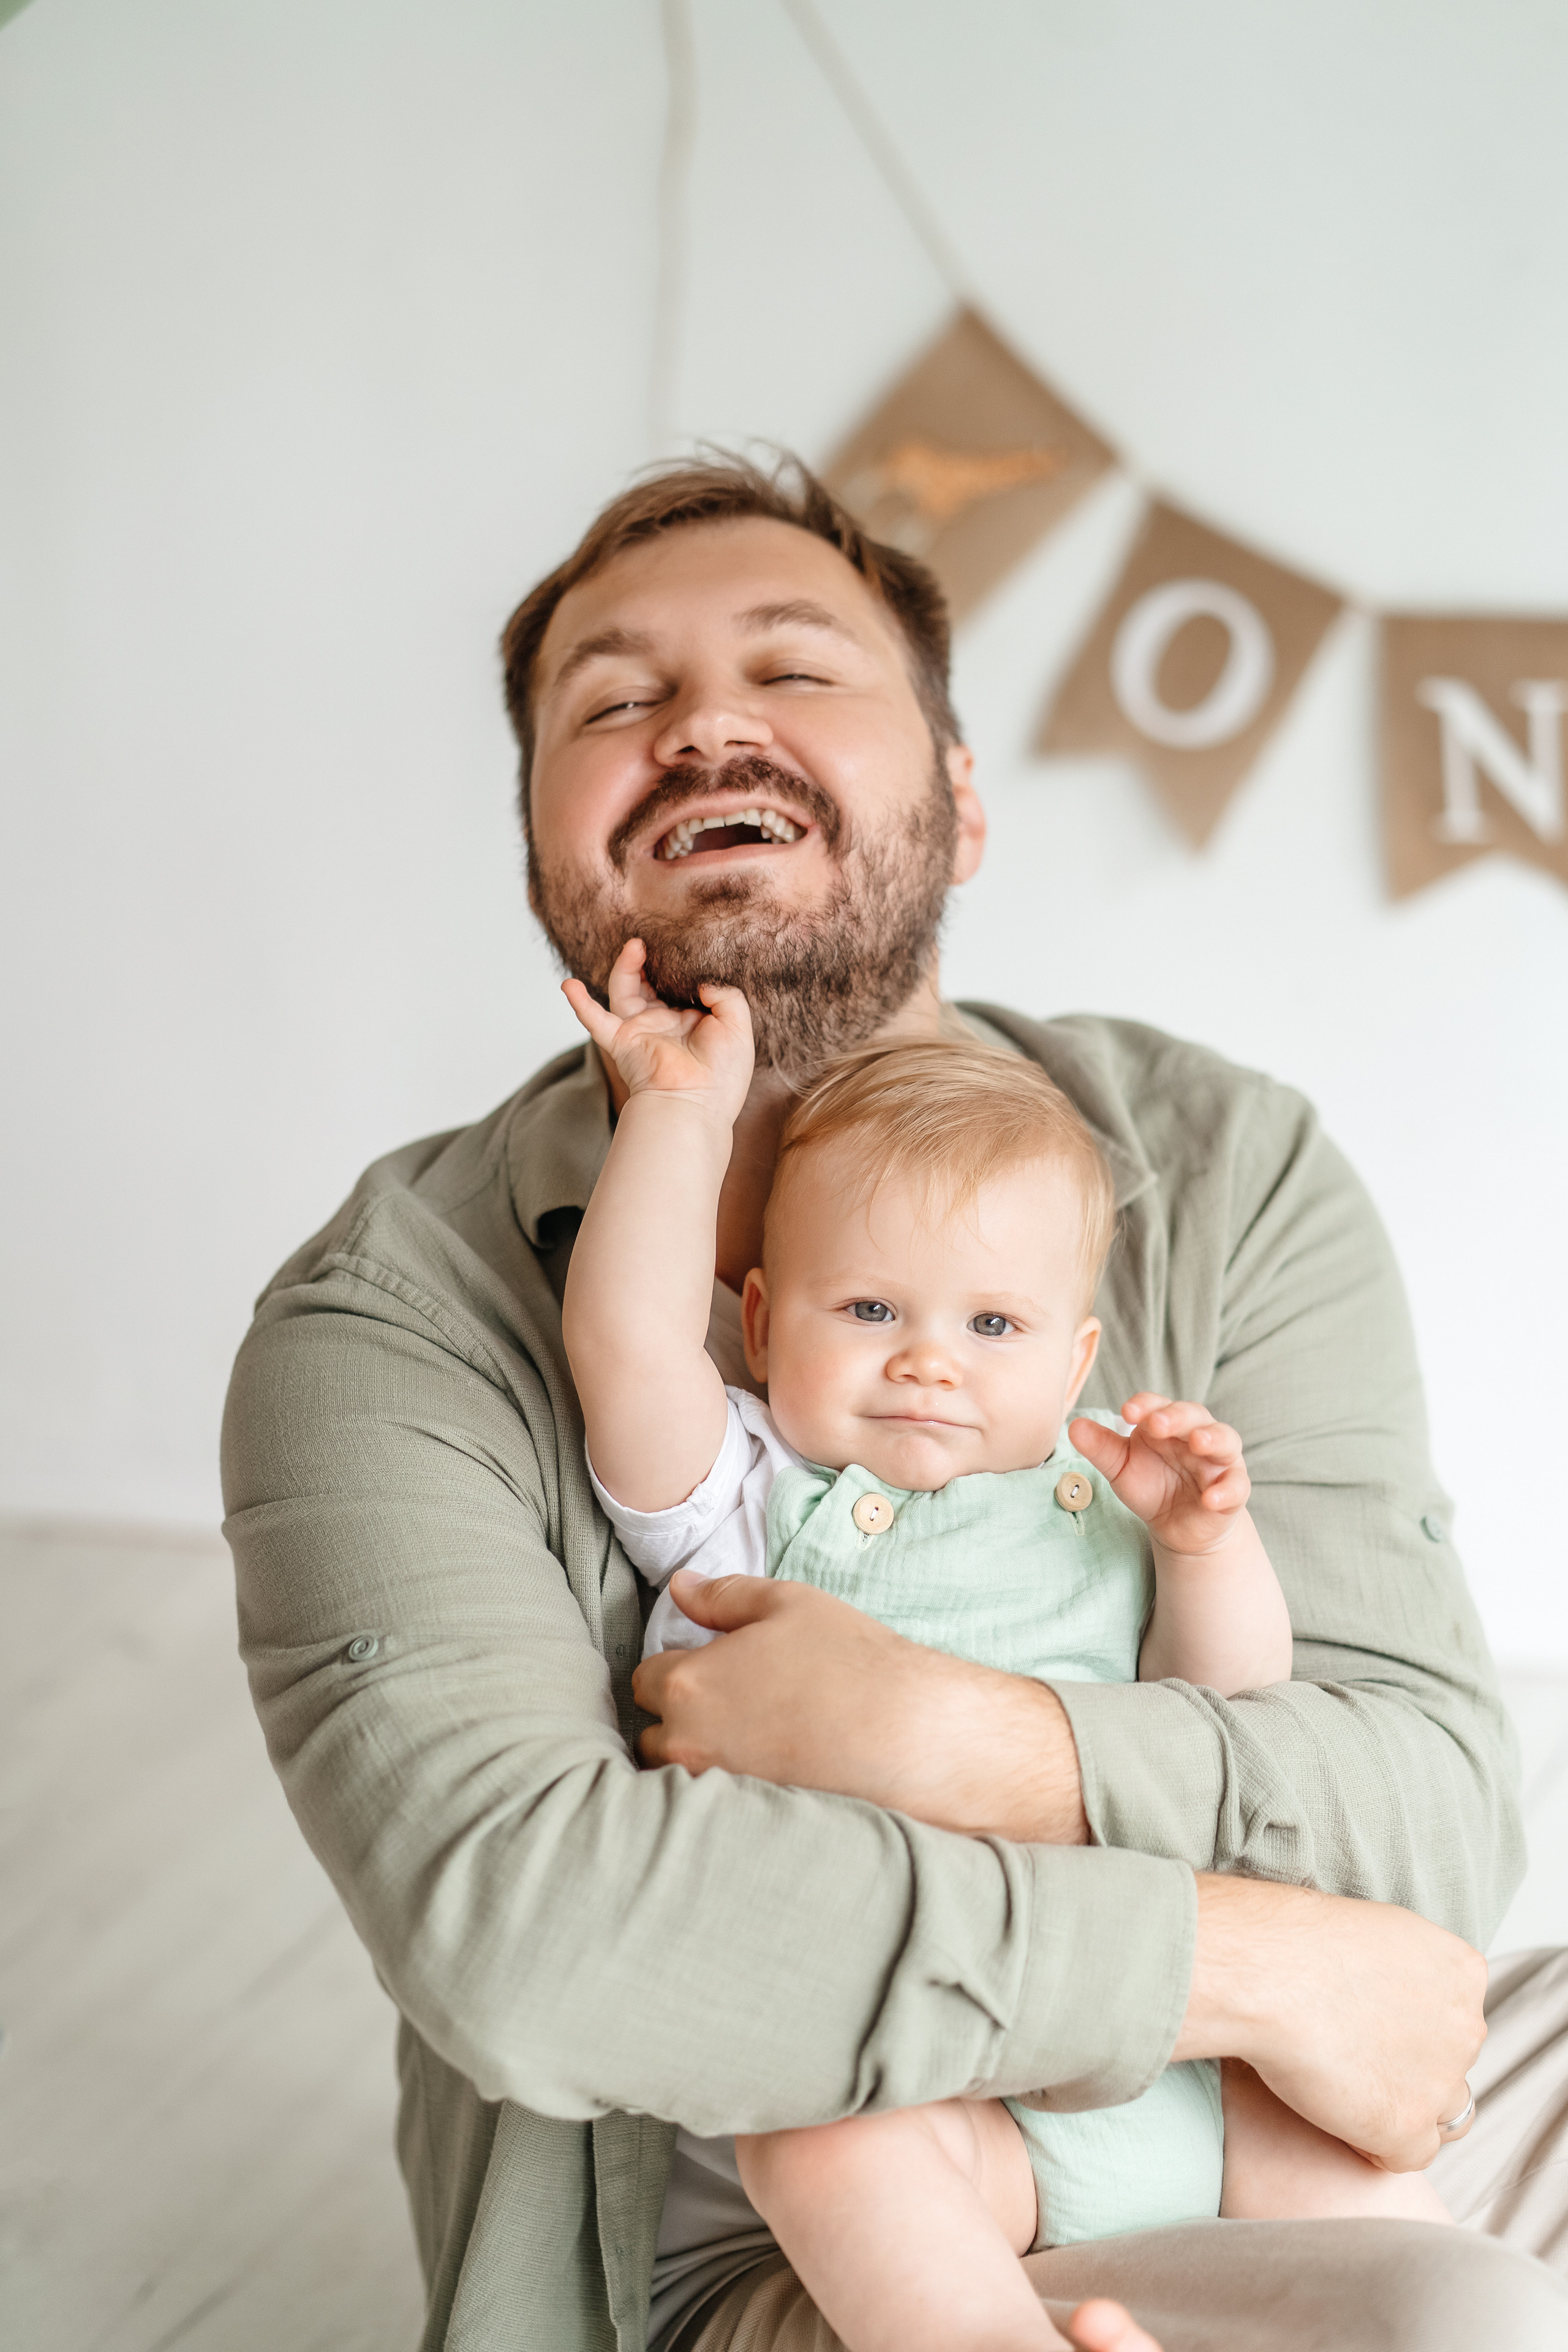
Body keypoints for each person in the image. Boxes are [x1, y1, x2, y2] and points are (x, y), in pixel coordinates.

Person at [221, 454, 1568, 2351]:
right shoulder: (383, 1327)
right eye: (613, 701)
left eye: (796, 667)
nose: (704, 724)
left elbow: (1421, 1819)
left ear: (959, 802)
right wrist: (1247, 1960)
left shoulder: (1220, 1168)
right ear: (544, 853)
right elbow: (540, 1940)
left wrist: (969, 1743)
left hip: (1225, 2099)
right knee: (1462, 2323)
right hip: (819, 2189)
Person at [559, 963, 1452, 2352]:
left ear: (1073, 1356)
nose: (927, 1363)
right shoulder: (746, 1486)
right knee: (817, 2143)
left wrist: (1207, 1551)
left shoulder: (1100, 1510)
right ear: (757, 1324)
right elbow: (620, 1338)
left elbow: (1227, 1712)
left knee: (1400, 2233)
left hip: (1183, 2056)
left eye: (990, 1327)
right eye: (866, 1312)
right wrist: (676, 1114)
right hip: (940, 2091)